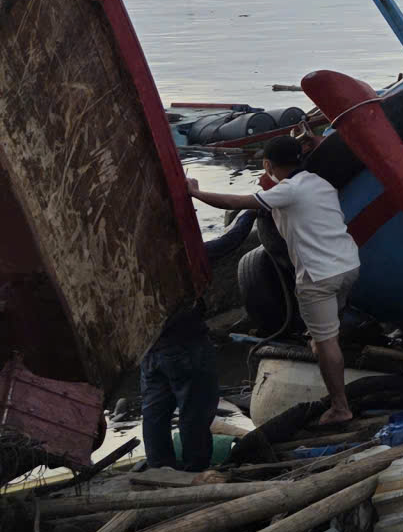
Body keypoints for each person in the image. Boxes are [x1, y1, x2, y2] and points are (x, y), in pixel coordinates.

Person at [191, 137, 361, 425]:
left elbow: (235, 201)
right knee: (328, 326)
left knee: (324, 343)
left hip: (317, 276)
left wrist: (194, 192)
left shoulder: (288, 190)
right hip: (349, 265)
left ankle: (340, 407)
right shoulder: (320, 183)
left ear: (268, 165)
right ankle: (323, 344)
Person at [138, 295, 218, 472]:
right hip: (183, 341)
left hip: (149, 346)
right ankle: (196, 468)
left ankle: (160, 470)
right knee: (195, 408)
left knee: (154, 411)